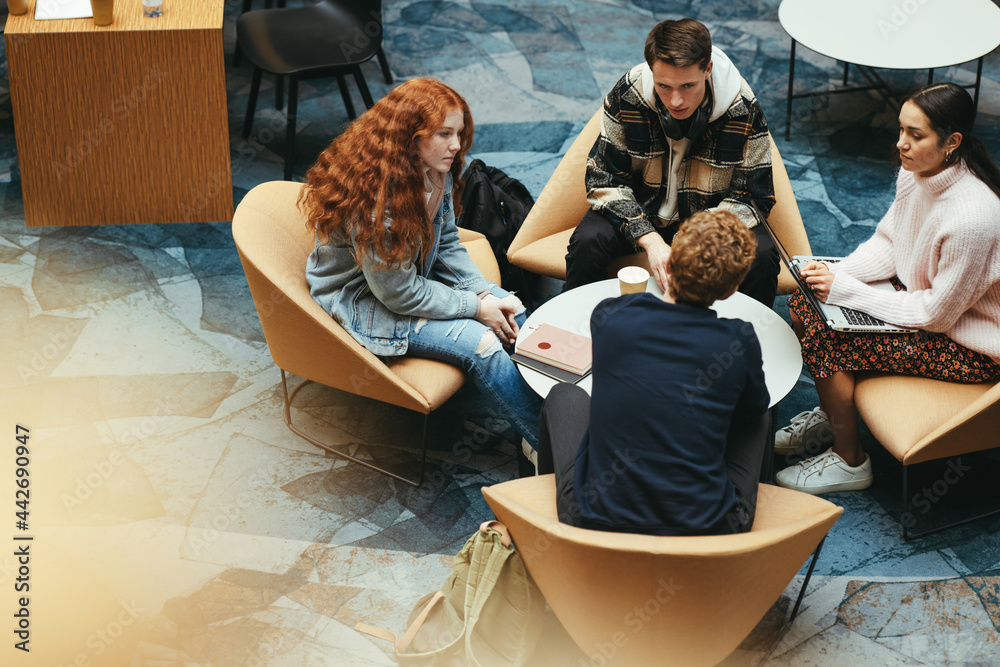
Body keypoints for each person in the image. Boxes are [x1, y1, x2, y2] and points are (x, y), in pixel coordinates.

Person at [775, 83, 1000, 494]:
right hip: (917, 298)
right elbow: (890, 242)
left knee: (829, 337)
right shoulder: (918, 174)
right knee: (805, 303)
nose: (901, 144)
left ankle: (850, 461)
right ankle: (833, 411)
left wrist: (845, 290)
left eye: (916, 135)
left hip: (969, 345)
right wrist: (830, 274)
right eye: (902, 130)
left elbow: (936, 316)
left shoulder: (973, 217)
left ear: (952, 142)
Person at [300, 78, 542, 448]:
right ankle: (557, 449)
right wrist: (476, 309)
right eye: (444, 133)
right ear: (409, 136)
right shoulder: (378, 204)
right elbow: (397, 294)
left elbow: (445, 241)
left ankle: (555, 418)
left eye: (458, 133)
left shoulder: (433, 169)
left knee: (515, 312)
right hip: (368, 301)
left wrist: (482, 293)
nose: (457, 145)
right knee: (483, 345)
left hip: (409, 276)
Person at [537, 210, 771, 536]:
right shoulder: (739, 339)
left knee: (564, 394)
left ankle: (550, 529)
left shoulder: (611, 315)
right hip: (709, 527)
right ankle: (753, 541)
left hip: (591, 516)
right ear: (732, 289)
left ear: (669, 264)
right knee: (761, 417)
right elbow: (752, 410)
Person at [566, 18, 779, 307]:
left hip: (705, 222)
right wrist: (650, 239)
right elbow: (604, 180)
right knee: (588, 241)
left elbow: (752, 197)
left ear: (708, 69)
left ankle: (744, 342)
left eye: (688, 86)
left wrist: (692, 239)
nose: (675, 101)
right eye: (664, 86)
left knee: (763, 255)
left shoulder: (743, 108)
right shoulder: (628, 94)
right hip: (640, 211)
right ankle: (573, 332)